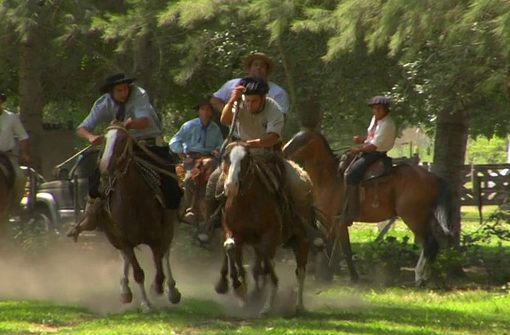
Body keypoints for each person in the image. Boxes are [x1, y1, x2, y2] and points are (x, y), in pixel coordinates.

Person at [200, 76, 323, 247]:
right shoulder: (240, 103)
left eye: (254, 101)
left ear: (264, 98)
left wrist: (250, 144)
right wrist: (233, 101)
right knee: (214, 180)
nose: (249, 105)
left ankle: (303, 225)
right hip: (241, 154)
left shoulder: (274, 109)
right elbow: (225, 120)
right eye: (247, 100)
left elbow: (272, 138)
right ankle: (210, 223)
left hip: (269, 155)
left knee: (298, 184)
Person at [68, 73, 182, 239]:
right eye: (119, 90)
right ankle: (91, 216)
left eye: (126, 89)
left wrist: (126, 124)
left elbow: (144, 121)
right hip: (121, 146)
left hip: (148, 144)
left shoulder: (139, 95)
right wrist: (91, 137)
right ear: (111, 92)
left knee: (170, 178)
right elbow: (82, 128)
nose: (124, 93)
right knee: (97, 176)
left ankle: (173, 216)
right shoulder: (103, 103)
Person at [341, 96, 397, 226]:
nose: (376, 111)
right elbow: (372, 138)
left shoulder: (387, 124)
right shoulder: (375, 120)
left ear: (386, 110)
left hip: (376, 153)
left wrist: (358, 150)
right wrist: (362, 140)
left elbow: (374, 146)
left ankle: (352, 211)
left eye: (379, 108)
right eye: (374, 108)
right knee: (344, 163)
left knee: (353, 173)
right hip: (370, 150)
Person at [169, 99, 224, 223]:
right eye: (203, 109)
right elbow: (174, 141)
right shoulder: (189, 126)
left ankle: (217, 211)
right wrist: (183, 155)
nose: (206, 112)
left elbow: (221, 144)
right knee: (189, 179)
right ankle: (190, 209)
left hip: (210, 159)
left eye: (208, 109)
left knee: (219, 180)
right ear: (198, 111)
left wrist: (217, 150)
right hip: (192, 159)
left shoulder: (215, 128)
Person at [210, 52, 289, 119]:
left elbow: (283, 116)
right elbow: (215, 99)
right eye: (256, 65)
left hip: (265, 135)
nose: (258, 68)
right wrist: (229, 113)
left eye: (262, 66)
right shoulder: (233, 85)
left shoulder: (277, 92)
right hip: (235, 135)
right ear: (250, 68)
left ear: (267, 70)